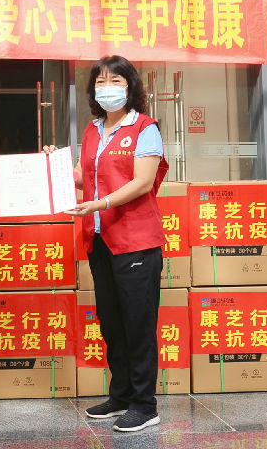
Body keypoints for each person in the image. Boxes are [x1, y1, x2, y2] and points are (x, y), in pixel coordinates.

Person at [45, 55, 168, 432]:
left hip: (136, 241)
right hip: (100, 240)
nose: (107, 88)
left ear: (130, 87)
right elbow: (84, 176)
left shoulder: (144, 128)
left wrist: (100, 204)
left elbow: (142, 182)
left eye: (115, 81)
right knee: (112, 322)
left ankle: (145, 405)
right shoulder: (93, 129)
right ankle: (121, 395)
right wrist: (52, 165)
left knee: (138, 323)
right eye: (100, 82)